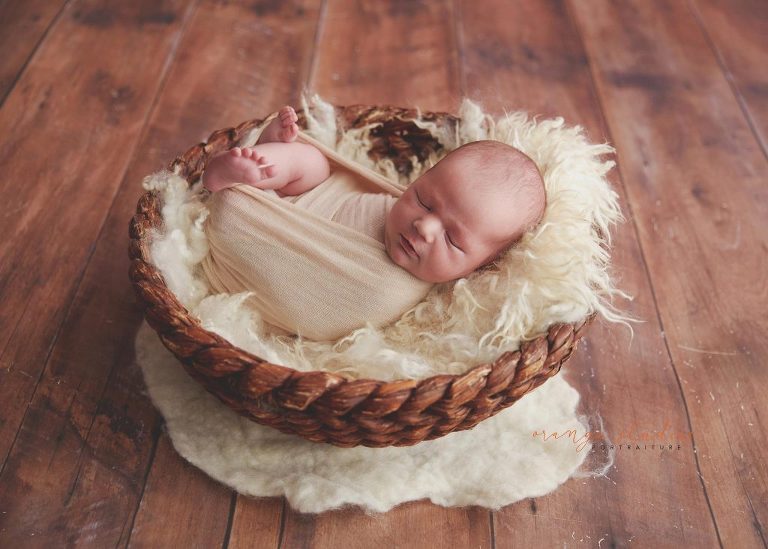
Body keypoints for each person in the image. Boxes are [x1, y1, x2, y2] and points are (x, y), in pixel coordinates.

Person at [202, 105, 546, 284]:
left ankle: (253, 183)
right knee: (315, 164)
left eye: (453, 240)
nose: (424, 227)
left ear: (481, 266)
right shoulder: (387, 205)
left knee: (263, 199)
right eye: (423, 200)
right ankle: (264, 163)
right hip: (308, 197)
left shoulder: (418, 297)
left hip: (270, 235)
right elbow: (339, 187)